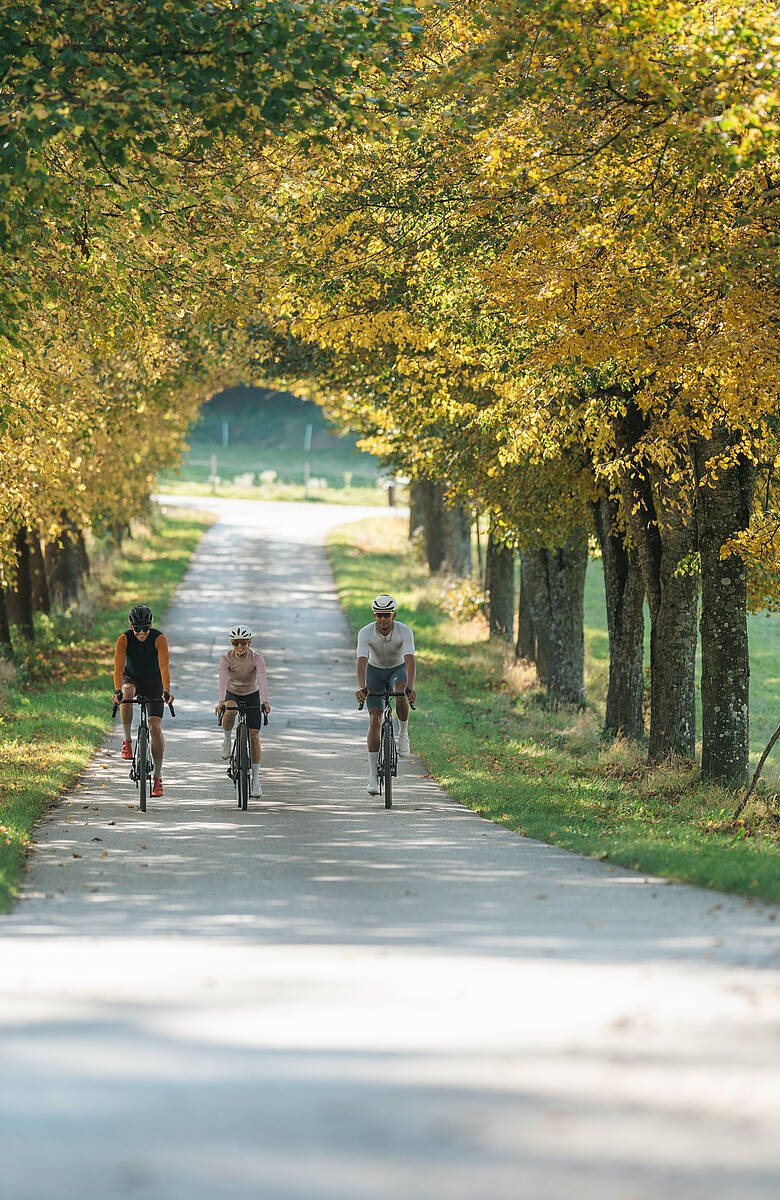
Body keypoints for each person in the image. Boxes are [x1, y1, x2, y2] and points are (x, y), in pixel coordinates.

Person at [355, 594, 416, 795]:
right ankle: (372, 776)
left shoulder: (404, 631)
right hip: (375, 671)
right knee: (375, 719)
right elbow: (362, 662)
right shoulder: (365, 633)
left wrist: (410, 687)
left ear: (394, 615)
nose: (383, 620)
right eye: (379, 615)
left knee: (400, 691)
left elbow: (409, 661)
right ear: (374, 615)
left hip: (397, 669)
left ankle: (403, 734)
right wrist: (362, 687)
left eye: (387, 616)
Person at [113, 603, 174, 798]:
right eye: (138, 629)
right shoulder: (124, 639)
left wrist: (166, 689)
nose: (142, 632)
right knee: (127, 692)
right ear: (132, 627)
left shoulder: (159, 638)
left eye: (145, 628)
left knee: (154, 727)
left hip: (154, 681)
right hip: (132, 678)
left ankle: (157, 777)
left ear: (150, 625)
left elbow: (164, 666)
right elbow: (118, 667)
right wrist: (117, 691)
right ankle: (127, 741)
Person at [216, 624, 270, 798]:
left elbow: (262, 679)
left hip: (252, 694)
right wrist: (221, 701)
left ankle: (255, 780)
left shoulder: (257, 658)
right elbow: (223, 680)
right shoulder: (226, 658)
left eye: (244, 642)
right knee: (230, 710)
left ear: (250, 642)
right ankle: (226, 740)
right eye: (236, 642)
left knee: (254, 737)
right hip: (232, 694)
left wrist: (265, 701)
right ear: (232, 643)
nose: (240, 646)